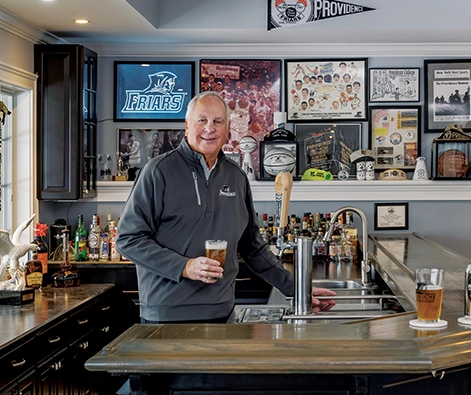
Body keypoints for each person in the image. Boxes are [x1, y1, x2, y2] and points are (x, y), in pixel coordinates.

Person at [116, 91, 335, 324]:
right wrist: (185, 266)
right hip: (167, 315)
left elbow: (253, 248)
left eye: (218, 121)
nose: (210, 128)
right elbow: (128, 239)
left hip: (222, 312)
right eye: (202, 120)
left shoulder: (237, 177)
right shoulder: (158, 171)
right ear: (187, 125)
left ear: (228, 128)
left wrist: (297, 290)